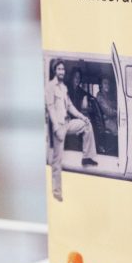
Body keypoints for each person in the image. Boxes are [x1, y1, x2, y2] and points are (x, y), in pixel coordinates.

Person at [45, 60, 98, 202]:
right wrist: (56, 127)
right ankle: (56, 192)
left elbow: (70, 107)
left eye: (63, 69)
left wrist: (82, 117)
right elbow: (50, 108)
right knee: (57, 161)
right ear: (55, 71)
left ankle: (87, 157)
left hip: (68, 123)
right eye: (59, 69)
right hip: (58, 126)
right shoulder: (50, 87)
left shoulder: (64, 88)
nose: (61, 71)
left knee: (87, 125)